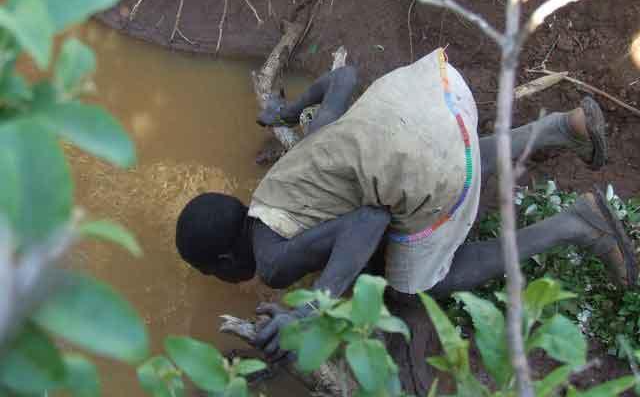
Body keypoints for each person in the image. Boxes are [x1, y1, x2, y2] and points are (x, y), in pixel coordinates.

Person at [175, 48, 637, 360]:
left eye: (215, 273)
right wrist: (291, 110)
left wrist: (314, 307)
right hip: (436, 88)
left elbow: (368, 220)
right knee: (419, 152)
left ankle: (578, 225)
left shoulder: (273, 263)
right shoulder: (282, 179)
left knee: (412, 288)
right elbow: (345, 78)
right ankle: (562, 127)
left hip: (440, 167)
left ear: (225, 259)